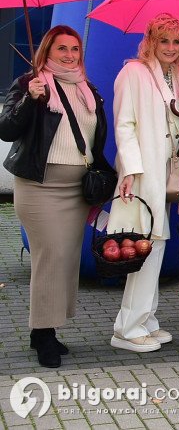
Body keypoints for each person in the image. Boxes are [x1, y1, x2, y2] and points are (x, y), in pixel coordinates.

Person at [1, 26, 115, 368]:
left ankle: (43, 331)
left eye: (74, 49)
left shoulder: (88, 90)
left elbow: (94, 139)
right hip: (39, 187)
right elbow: (6, 129)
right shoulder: (29, 84)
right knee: (50, 258)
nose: (69, 55)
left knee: (65, 260)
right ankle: (45, 335)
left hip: (77, 189)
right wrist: (28, 100)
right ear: (47, 51)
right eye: (61, 49)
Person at [108, 13, 179, 353]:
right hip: (142, 174)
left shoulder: (175, 75)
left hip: (164, 172)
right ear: (151, 41)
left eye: (177, 42)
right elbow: (124, 124)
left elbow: (173, 123)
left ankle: (146, 320)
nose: (171, 48)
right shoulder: (133, 72)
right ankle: (127, 328)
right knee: (144, 245)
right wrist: (129, 169)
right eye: (165, 41)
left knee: (155, 244)